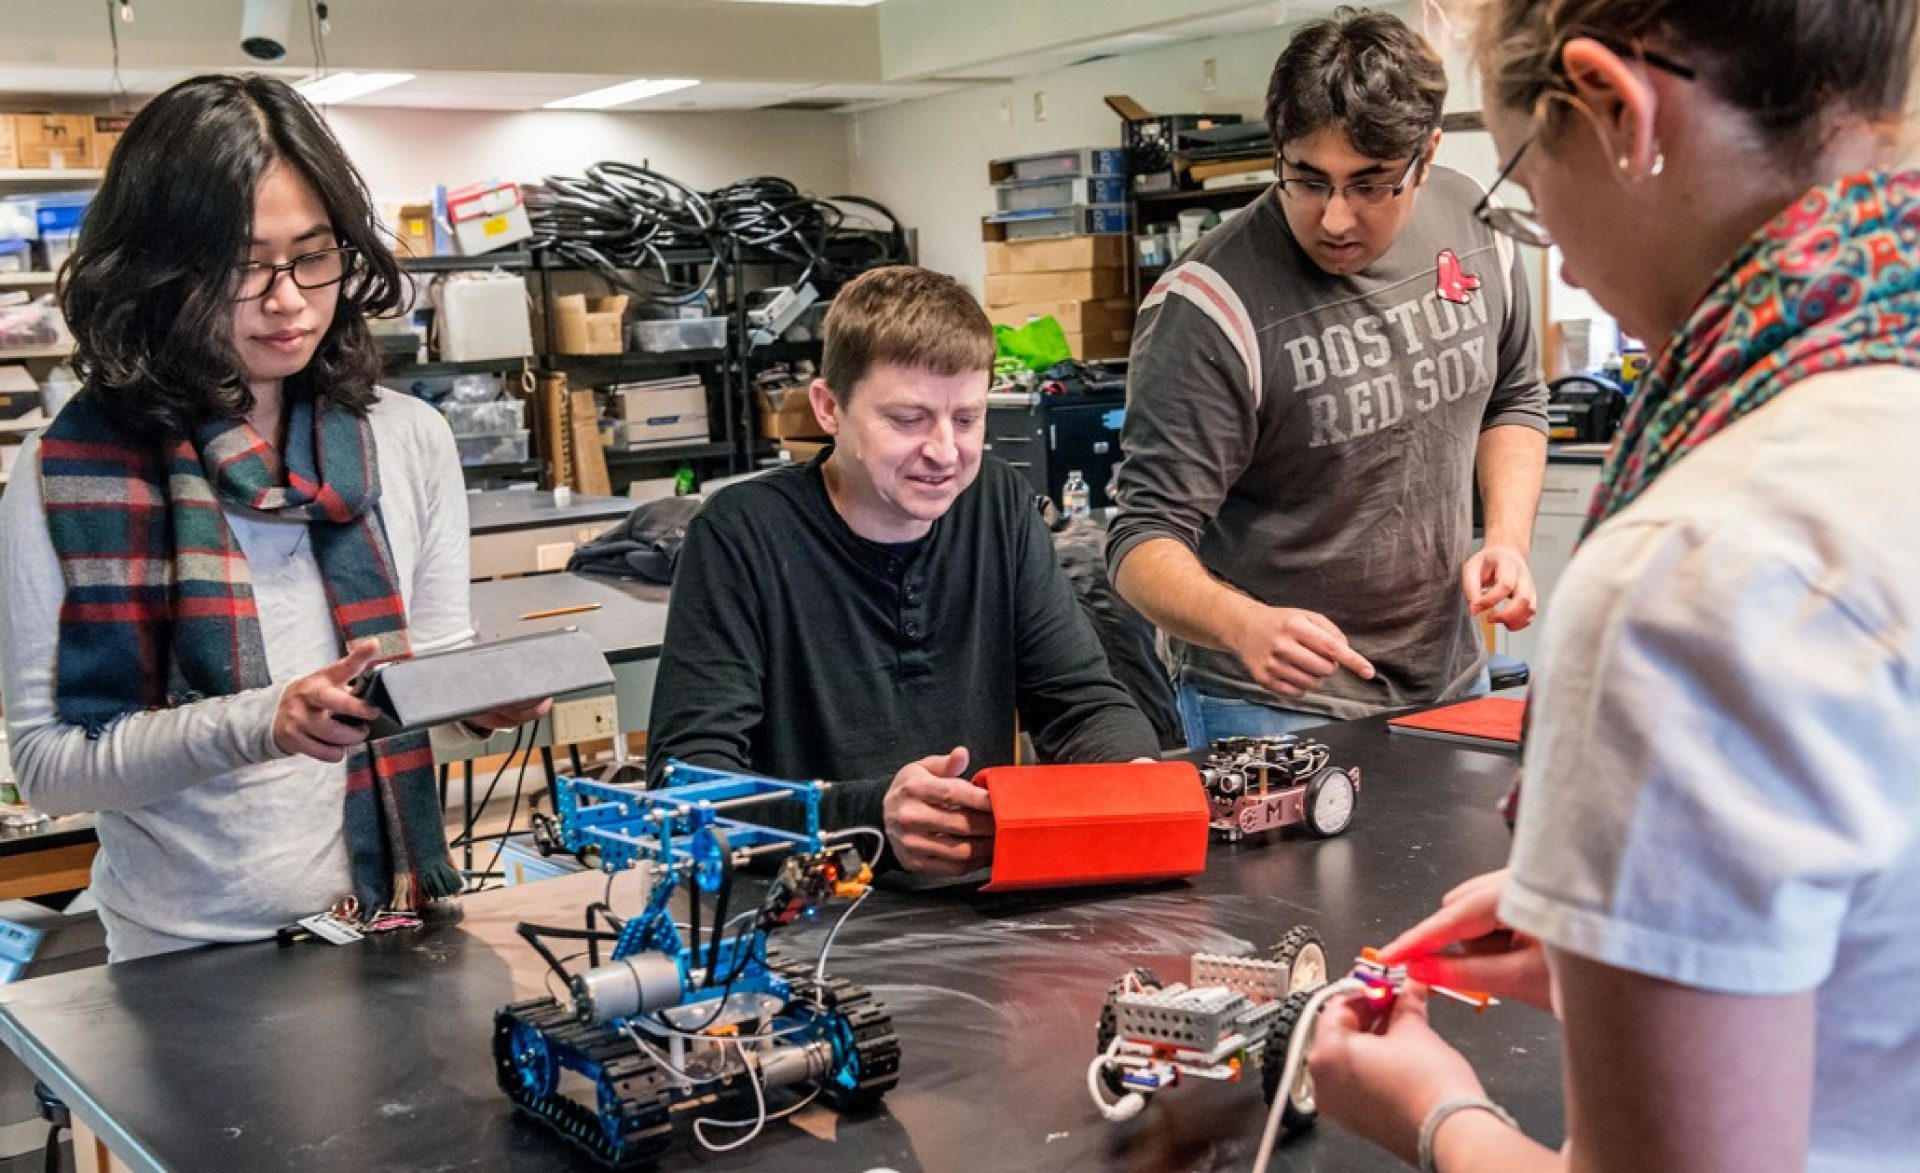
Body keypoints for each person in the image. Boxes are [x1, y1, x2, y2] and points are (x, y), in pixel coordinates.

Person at [1307, 2, 1920, 1171]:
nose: (1558, 248)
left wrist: (1434, 1112)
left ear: (1616, 110)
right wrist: (1651, 935)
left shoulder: (1699, 567)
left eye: (1528, 184)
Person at [0, 75, 547, 962]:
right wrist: (264, 722)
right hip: (188, 958)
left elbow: (416, 706)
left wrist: (479, 706)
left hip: (393, 927)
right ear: (155, 271)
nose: (288, 298)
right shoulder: (70, 474)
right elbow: (52, 767)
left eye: (313, 254)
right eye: (244, 266)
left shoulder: (407, 440)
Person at [1108, 7, 1550, 747]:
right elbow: (1141, 540)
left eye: (1371, 183)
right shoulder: (1210, 305)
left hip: (1449, 676)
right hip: (1271, 702)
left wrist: (1506, 537)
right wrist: (1241, 623)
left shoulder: (1476, 226)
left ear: (1428, 152)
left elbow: (1515, 396)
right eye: (1307, 180)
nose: (1336, 218)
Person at [646, 265, 1161, 876]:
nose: (945, 451)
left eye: (967, 419)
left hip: (976, 910)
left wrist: (1134, 778)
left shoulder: (996, 504)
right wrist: (866, 818)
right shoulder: (741, 534)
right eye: (908, 420)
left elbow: (1079, 705)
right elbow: (689, 790)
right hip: (802, 911)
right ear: (829, 408)